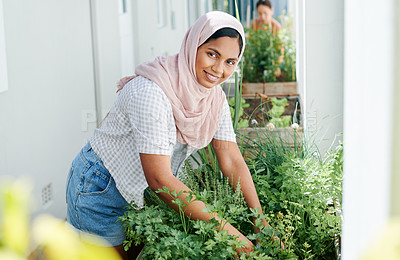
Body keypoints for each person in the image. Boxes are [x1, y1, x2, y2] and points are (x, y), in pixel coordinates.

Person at [66, 11, 271, 259]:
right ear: (193, 44)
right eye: (212, 54)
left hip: (139, 192)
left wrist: (261, 222)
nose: (219, 69)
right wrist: (228, 232)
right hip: (101, 187)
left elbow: (231, 158)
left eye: (230, 61)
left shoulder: (213, 98)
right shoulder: (151, 92)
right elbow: (160, 179)